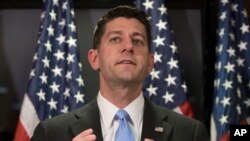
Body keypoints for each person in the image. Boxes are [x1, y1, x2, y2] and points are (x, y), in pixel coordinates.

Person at [31, 5, 210, 141]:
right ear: (95, 59)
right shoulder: (50, 133)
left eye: (138, 41)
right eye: (116, 39)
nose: (128, 47)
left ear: (149, 63)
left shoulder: (190, 133)